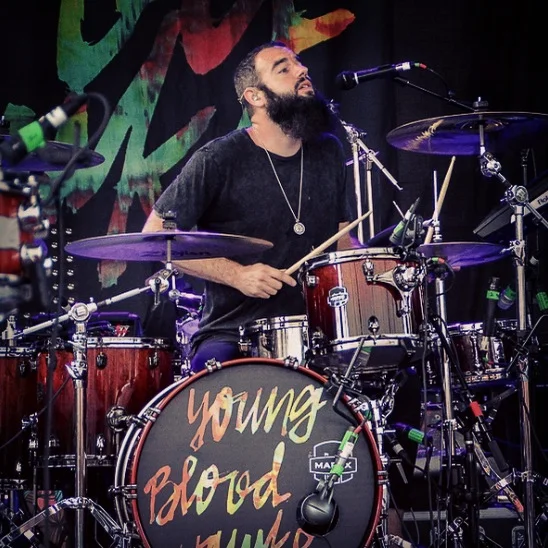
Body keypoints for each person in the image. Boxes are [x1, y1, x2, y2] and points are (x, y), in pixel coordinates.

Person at [141, 40, 353, 372]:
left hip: (318, 332)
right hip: (234, 332)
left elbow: (342, 240)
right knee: (211, 390)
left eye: (299, 63)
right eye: (284, 69)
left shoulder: (328, 151)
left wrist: (383, 268)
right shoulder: (219, 158)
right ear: (255, 97)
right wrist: (238, 275)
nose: (302, 70)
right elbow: (156, 237)